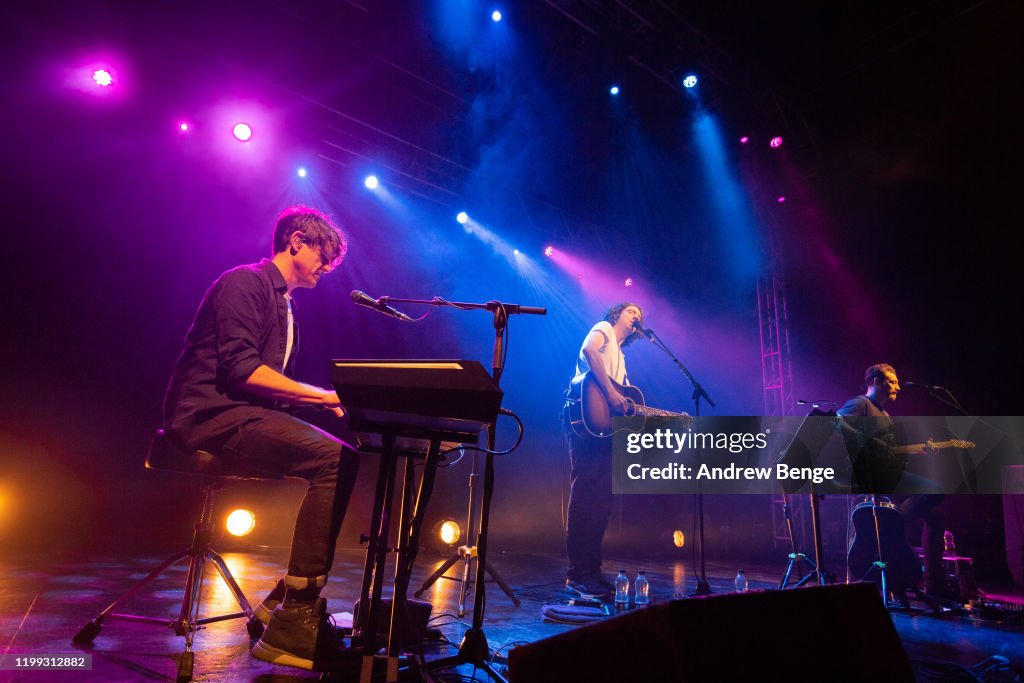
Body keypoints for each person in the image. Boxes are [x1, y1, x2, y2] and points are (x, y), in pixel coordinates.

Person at [163, 205, 360, 672]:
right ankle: (295, 611)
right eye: (324, 253)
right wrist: (321, 395)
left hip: (243, 413)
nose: (329, 267)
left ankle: (285, 601)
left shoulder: (286, 308)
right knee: (334, 461)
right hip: (208, 415)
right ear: (296, 241)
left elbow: (271, 390)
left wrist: (332, 403)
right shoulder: (244, 284)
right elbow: (243, 372)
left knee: (346, 457)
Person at [837, 363, 947, 598]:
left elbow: (887, 450)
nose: (898, 387)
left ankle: (935, 586)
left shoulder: (885, 414)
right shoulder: (860, 403)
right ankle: (890, 528)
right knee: (934, 490)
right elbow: (838, 425)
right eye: (892, 381)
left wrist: (912, 451)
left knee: (936, 516)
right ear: (876, 381)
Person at [562, 302, 645, 598]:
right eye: (631, 310)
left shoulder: (621, 358)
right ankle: (576, 573)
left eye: (640, 314)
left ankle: (592, 569)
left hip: (604, 431)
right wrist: (610, 394)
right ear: (616, 314)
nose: (637, 315)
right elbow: (588, 350)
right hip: (583, 420)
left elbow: (624, 402)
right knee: (585, 493)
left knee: (603, 499)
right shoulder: (604, 330)